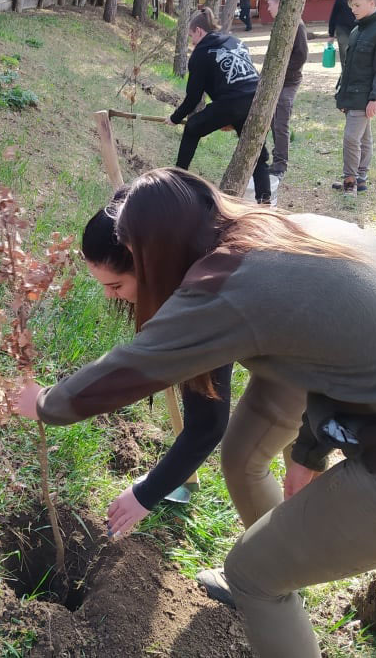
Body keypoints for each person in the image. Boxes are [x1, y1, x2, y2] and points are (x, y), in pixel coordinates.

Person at [18, 167, 376, 658]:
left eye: (118, 281)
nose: (112, 297)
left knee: (253, 575)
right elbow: (335, 349)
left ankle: (273, 585)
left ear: (154, 256)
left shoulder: (227, 286)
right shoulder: (280, 234)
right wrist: (309, 451)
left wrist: (45, 403)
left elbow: (136, 366)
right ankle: (284, 577)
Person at [82, 193, 234, 519]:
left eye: (115, 284)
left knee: (248, 458)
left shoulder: (205, 304)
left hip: (315, 355)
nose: (108, 296)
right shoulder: (186, 248)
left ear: (148, 266)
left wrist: (144, 495)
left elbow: (207, 424)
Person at [165, 7, 271, 204]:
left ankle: (177, 178)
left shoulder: (201, 54)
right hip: (257, 101)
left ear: (199, 31)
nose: (192, 42)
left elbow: (194, 97)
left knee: (192, 127)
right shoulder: (234, 41)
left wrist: (175, 118)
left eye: (191, 37)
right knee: (256, 151)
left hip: (232, 102)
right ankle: (265, 200)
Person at [331, 0, 376, 195]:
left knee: (352, 137)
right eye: (352, 6)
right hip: (351, 94)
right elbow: (348, 66)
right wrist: (342, 95)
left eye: (357, 5)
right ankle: (361, 179)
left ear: (372, 3)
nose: (353, 9)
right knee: (363, 137)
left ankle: (350, 181)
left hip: (366, 96)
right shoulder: (357, 29)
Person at [264, 0, 309, 180]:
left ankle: (281, 165)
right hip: (275, 81)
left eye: (269, 4)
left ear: (280, 3)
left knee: (281, 122)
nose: (267, 8)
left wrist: (281, 72)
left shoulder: (296, 25)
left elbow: (300, 56)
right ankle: (273, 159)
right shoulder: (280, 24)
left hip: (288, 82)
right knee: (272, 122)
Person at [328, 0, 368, 69]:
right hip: (343, 28)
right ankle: (345, 75)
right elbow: (334, 14)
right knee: (345, 53)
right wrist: (331, 34)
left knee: (360, 54)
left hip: (361, 28)